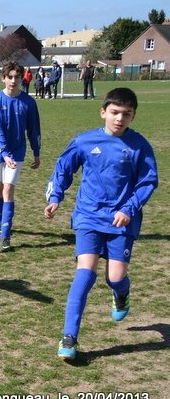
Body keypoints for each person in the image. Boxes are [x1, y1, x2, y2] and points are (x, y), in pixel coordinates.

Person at [45, 88, 158, 360]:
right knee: (84, 272)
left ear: (133, 116)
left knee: (115, 277)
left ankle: (122, 293)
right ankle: (69, 337)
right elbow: (63, 167)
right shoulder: (85, 141)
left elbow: (148, 181)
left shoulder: (139, 146)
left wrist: (129, 209)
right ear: (103, 112)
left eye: (126, 114)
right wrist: (55, 197)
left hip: (122, 220)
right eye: (115, 112)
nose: (119, 118)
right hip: (89, 216)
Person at [0, 61, 41, 251]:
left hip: (17, 152)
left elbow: (34, 129)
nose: (13, 80)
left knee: (8, 189)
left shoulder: (29, 102)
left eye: (17, 77)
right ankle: (1, 221)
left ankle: (5, 236)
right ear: (3, 78)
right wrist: (4, 154)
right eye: (10, 77)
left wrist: (36, 152)